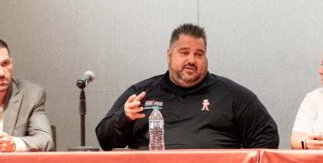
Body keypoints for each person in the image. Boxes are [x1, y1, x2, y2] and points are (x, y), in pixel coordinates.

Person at [96, 23, 279, 150]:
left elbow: (267, 136)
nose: (191, 60)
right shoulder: (141, 94)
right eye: (184, 53)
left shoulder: (231, 95)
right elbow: (105, 140)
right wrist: (124, 118)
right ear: (169, 55)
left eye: (199, 54)